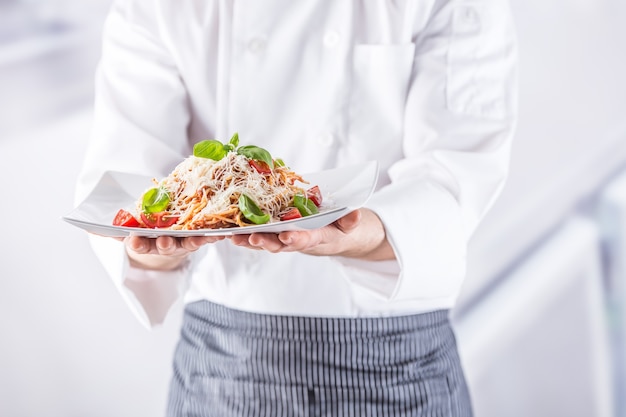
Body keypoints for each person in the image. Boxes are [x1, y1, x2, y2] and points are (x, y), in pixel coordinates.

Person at [76, 0, 518, 415]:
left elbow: (457, 170)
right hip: (223, 370)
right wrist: (151, 241)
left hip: (398, 364)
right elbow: (125, 182)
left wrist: (369, 234)